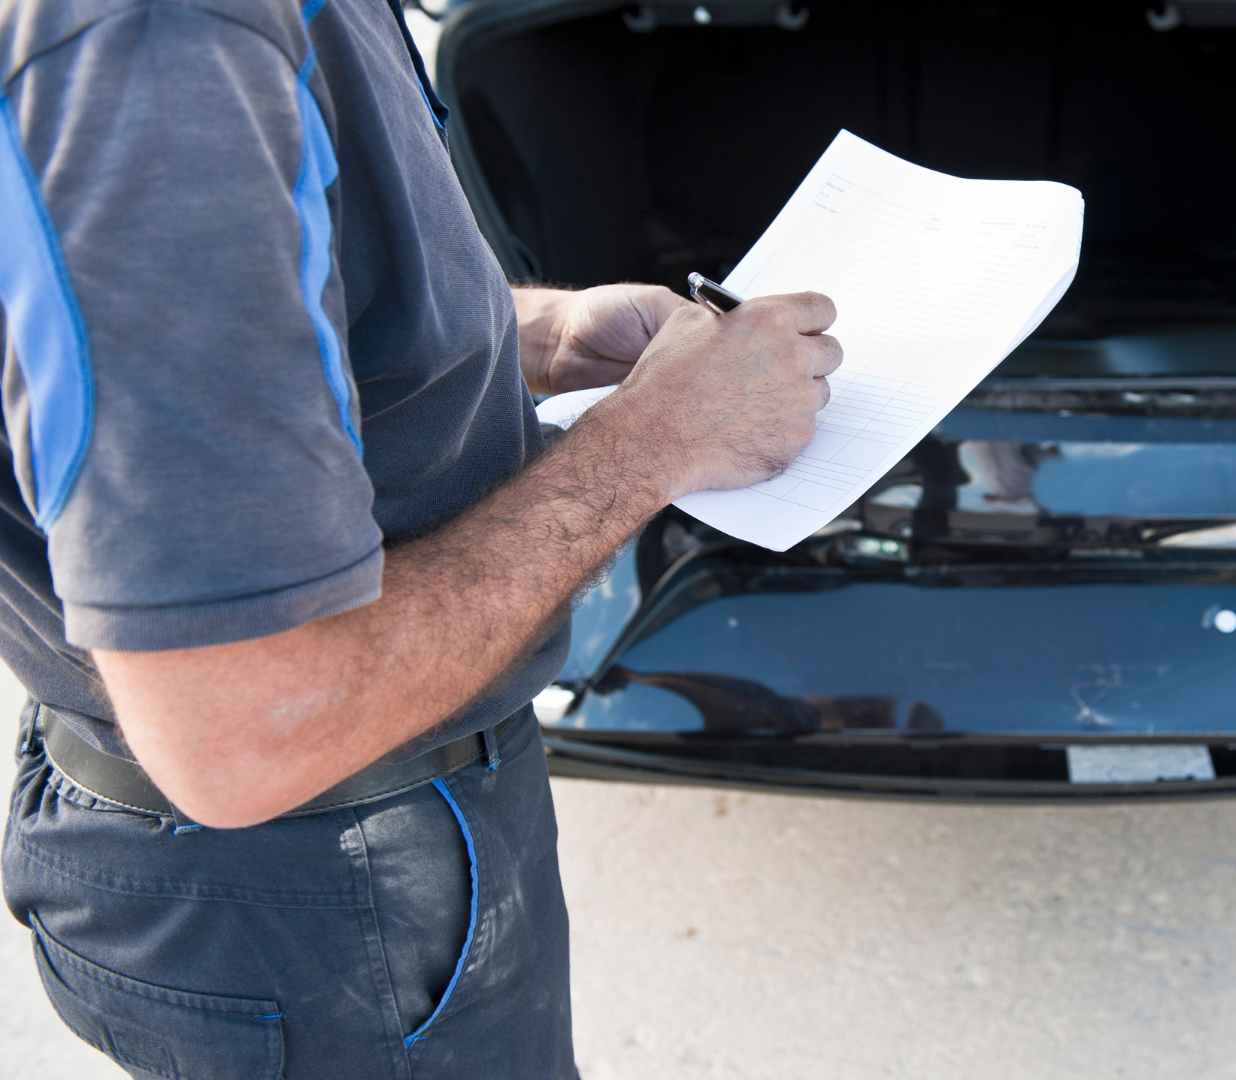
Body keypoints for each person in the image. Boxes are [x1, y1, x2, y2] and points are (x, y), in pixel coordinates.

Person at [0, 0, 840, 1075]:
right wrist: (654, 443)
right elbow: (241, 731)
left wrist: (534, 333)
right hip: (320, 888)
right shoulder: (162, 46)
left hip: (288, 843)